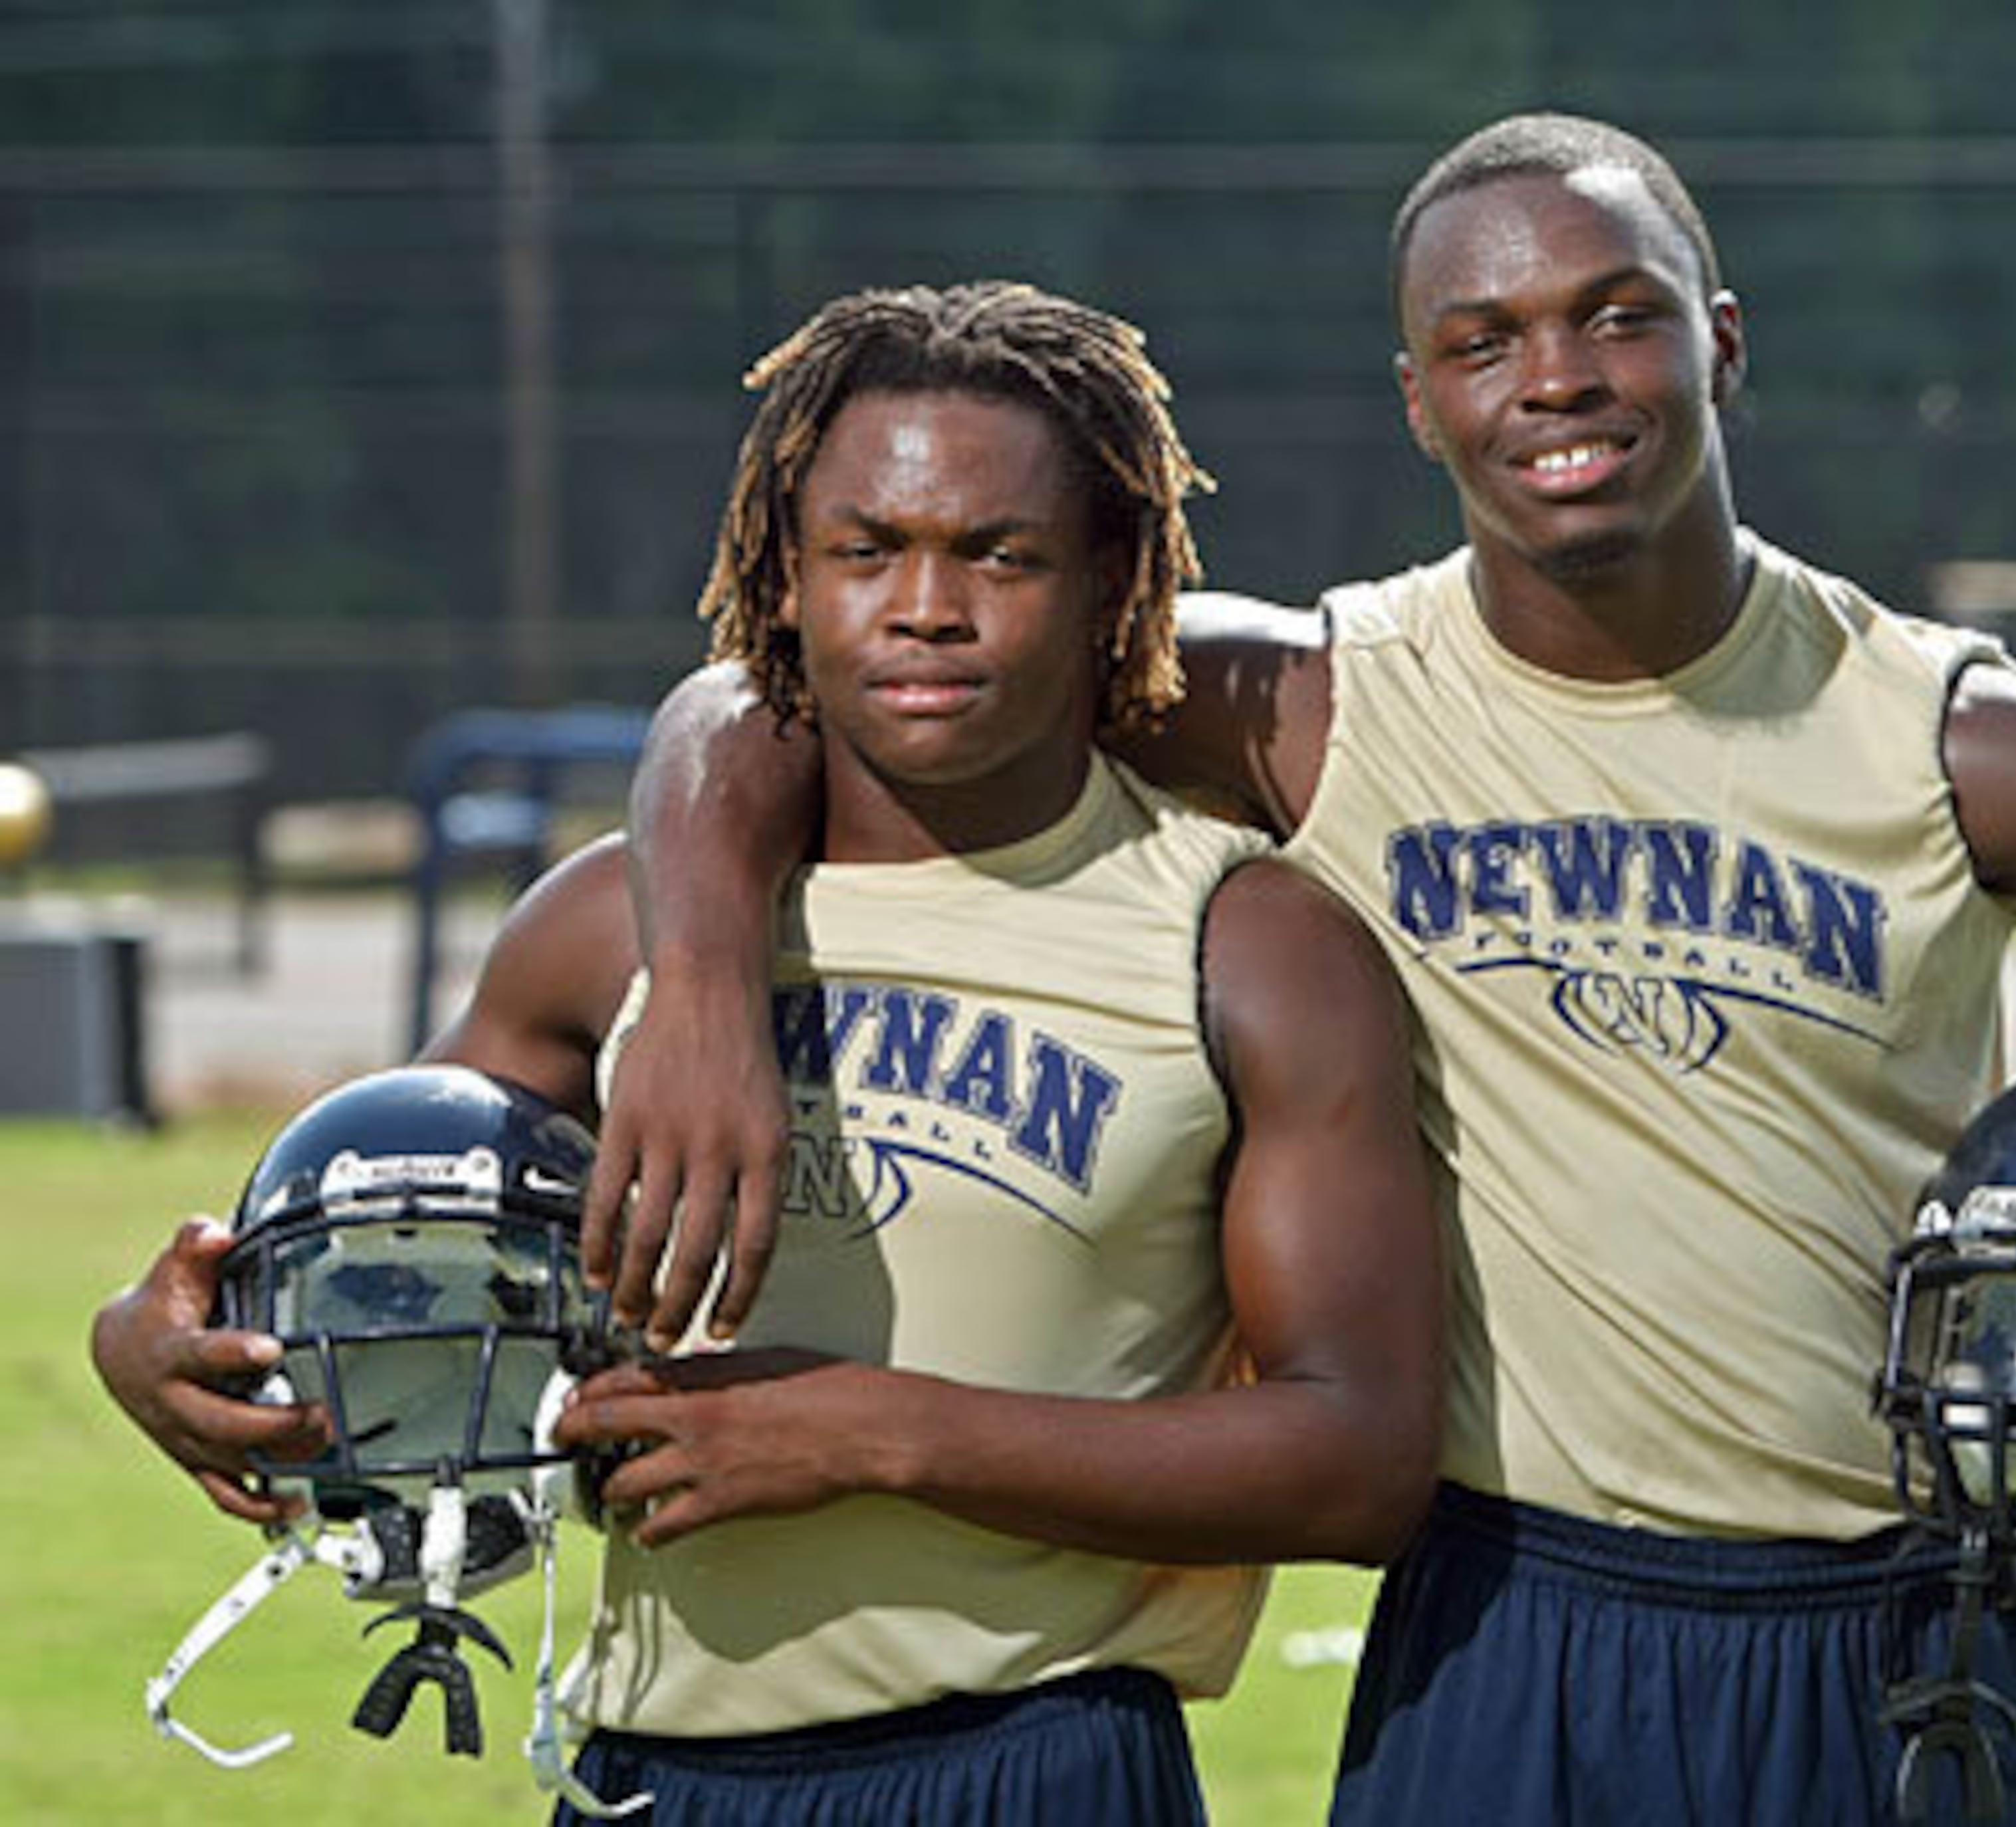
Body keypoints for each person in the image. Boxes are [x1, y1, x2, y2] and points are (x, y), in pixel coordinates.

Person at [597, 116, 2016, 1823]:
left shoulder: (1954, 737)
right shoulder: (1311, 708)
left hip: (1911, 1617)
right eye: (1483, 341)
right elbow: (782, 686)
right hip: (1507, 1625)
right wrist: (698, 983)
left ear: (1722, 341)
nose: (1557, 378)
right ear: (1417, 399)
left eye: (1617, 315)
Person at [90, 279, 1443, 1824]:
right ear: (783, 575)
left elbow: (1360, 1455)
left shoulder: (1249, 944)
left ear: (1111, 578)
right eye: (867, 550)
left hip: (1037, 1759)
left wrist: (878, 1431)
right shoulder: (613, 931)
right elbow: (375, 1246)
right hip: (649, 1775)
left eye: (999, 555)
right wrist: (155, 1342)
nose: (925, 605)